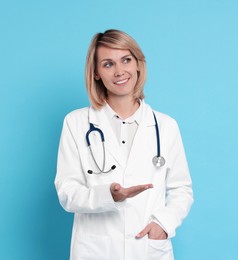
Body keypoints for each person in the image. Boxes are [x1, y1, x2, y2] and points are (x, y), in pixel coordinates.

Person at [55, 29, 193, 260]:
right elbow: (67, 191)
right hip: (96, 250)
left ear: (138, 64)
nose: (120, 71)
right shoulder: (76, 123)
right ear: (96, 73)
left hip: (147, 248)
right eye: (108, 64)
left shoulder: (166, 126)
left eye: (126, 60)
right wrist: (109, 196)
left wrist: (163, 224)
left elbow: (182, 189)